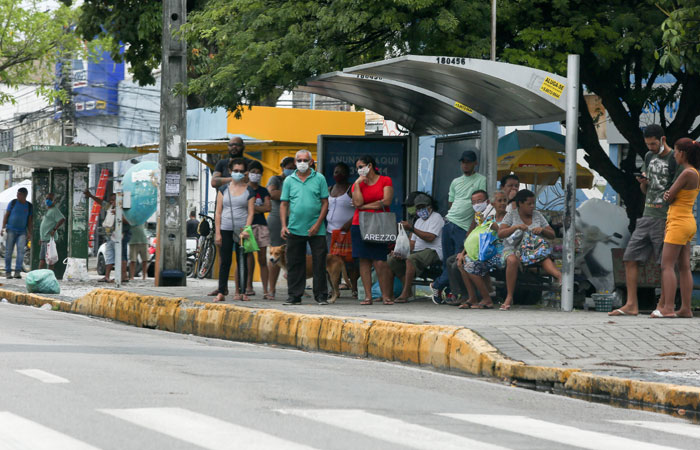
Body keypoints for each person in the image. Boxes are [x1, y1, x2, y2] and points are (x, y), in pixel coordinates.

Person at [610, 124, 679, 316]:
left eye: (654, 144)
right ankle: (632, 304)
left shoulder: (674, 158)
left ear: (662, 139)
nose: (651, 147)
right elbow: (645, 191)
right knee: (630, 257)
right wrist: (644, 183)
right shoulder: (649, 157)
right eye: (648, 144)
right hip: (647, 214)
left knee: (664, 264)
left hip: (665, 217)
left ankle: (663, 305)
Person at [430, 149, 486, 304]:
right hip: (449, 222)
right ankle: (451, 292)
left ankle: (439, 285)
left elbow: (481, 202)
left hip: (464, 226)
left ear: (475, 163)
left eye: (468, 162)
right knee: (448, 261)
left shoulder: (481, 179)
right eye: (463, 162)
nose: (465, 165)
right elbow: (451, 202)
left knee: (457, 262)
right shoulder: (456, 181)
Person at [653, 138, 700, 318]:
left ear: (683, 153)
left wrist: (668, 195)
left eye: (676, 151)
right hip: (687, 221)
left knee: (667, 265)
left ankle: (668, 307)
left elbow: (669, 196)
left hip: (678, 222)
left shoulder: (686, 172)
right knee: (684, 267)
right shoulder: (695, 173)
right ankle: (686, 308)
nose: (674, 154)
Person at [498, 189, 561, 311]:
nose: (532, 207)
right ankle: (509, 296)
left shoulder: (538, 216)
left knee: (543, 256)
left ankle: (559, 276)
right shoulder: (511, 215)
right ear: (520, 204)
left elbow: (552, 234)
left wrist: (542, 230)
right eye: (529, 204)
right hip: (513, 248)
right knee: (511, 260)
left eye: (533, 204)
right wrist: (515, 227)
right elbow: (501, 233)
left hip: (532, 251)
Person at [280, 150, 329, 305]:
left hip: (317, 229)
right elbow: (284, 204)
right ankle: (294, 296)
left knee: (319, 263)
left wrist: (317, 224)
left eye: (305, 160)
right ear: (295, 162)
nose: (302, 163)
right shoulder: (289, 180)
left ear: (311, 161)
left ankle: (321, 295)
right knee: (294, 263)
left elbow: (325, 203)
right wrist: (283, 225)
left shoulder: (319, 178)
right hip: (294, 228)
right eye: (299, 160)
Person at [351, 155, 395, 305]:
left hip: (378, 223)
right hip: (359, 224)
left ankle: (385, 295)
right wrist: (357, 185)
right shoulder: (357, 184)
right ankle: (368, 296)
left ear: (370, 165)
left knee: (380, 261)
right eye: (357, 168)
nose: (360, 170)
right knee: (363, 260)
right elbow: (357, 202)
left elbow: (386, 201)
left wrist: (365, 207)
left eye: (361, 166)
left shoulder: (385, 180)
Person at [457, 190, 508, 309]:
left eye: (504, 200)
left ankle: (487, 299)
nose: (502, 203)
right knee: (462, 262)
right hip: (485, 252)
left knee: (470, 266)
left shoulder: (509, 218)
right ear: (493, 204)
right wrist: (463, 253)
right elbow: (476, 235)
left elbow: (512, 238)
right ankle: (472, 298)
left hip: (500, 253)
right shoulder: (489, 218)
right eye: (499, 201)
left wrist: (498, 229)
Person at [388, 193, 443, 303]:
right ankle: (404, 291)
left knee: (411, 259)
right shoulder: (418, 221)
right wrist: (400, 252)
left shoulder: (436, 218)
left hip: (433, 251)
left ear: (430, 207)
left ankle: (405, 293)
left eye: (423, 207)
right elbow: (412, 244)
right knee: (392, 260)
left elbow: (430, 238)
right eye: (418, 208)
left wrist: (412, 229)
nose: (420, 210)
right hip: (418, 251)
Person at [213, 158, 255, 302]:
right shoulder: (223, 189)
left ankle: (243, 292)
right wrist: (217, 232)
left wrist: (247, 229)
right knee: (225, 261)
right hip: (225, 228)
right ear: (230, 171)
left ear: (245, 173)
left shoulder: (249, 190)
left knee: (242, 260)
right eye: (235, 171)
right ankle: (221, 291)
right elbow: (218, 212)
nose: (238, 173)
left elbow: (251, 212)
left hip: (241, 230)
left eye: (241, 171)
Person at [84, 190, 131, 283]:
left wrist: (118, 214)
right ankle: (107, 276)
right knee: (109, 256)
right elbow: (101, 202)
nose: (111, 202)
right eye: (110, 200)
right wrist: (91, 196)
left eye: (113, 200)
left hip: (119, 237)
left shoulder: (122, 209)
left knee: (121, 256)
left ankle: (123, 276)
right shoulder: (110, 207)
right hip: (109, 237)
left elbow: (128, 221)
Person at [266, 156, 296, 300]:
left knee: (293, 254)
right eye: (289, 167)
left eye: (293, 167)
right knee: (275, 255)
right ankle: (271, 289)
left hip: (294, 219)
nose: (291, 170)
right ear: (282, 167)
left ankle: (295, 286)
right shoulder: (276, 180)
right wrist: (293, 194)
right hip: (277, 219)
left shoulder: (298, 178)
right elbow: (272, 193)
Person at [326, 161, 358, 296]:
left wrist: (350, 223)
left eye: (341, 172)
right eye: (335, 172)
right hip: (330, 232)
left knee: (350, 262)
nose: (338, 174)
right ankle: (334, 290)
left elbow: (359, 208)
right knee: (331, 261)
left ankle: (354, 289)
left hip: (347, 231)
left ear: (347, 174)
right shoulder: (330, 188)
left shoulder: (351, 189)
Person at [245, 160, 271, 298]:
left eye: (258, 172)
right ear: (248, 173)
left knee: (262, 258)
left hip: (262, 225)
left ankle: (266, 290)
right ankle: (248, 286)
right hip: (248, 226)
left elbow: (268, 207)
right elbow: (242, 207)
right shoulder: (244, 189)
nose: (256, 175)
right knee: (249, 256)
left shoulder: (263, 190)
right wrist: (256, 209)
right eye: (253, 172)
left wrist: (252, 208)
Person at [1, 187, 32, 279]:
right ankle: (8, 272)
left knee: (21, 251)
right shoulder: (13, 203)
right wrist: (3, 227)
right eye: (17, 194)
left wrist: (30, 233)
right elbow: (6, 215)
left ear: (24, 195)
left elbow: (29, 221)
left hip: (22, 232)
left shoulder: (29, 206)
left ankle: (17, 272)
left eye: (19, 194)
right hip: (10, 230)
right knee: (8, 252)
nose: (17, 195)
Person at [38, 193, 65, 271]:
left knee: (50, 260)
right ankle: (39, 276)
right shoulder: (48, 210)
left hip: (49, 240)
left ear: (54, 201)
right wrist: (41, 238)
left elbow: (62, 219)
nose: (48, 200)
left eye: (50, 199)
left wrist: (54, 229)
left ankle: (49, 277)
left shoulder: (54, 210)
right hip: (44, 239)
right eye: (47, 198)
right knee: (42, 259)